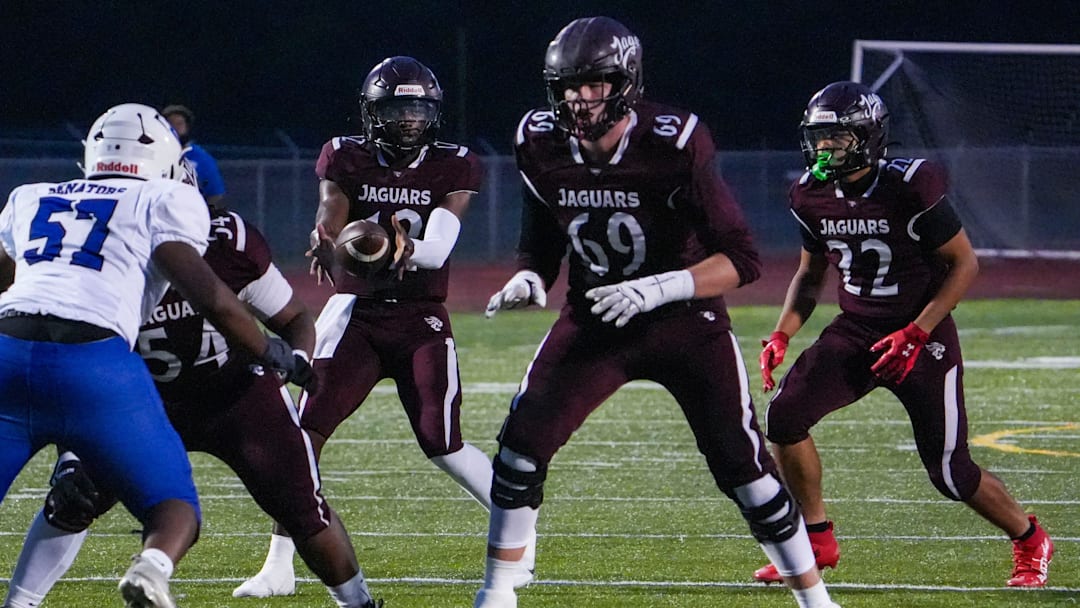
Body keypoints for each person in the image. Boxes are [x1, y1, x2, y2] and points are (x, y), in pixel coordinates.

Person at [477, 16, 841, 608]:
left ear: (625, 82)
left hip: (685, 324)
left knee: (743, 469)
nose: (579, 97)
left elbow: (743, 259)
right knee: (519, 448)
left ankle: (815, 599)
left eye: (594, 83)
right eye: (568, 85)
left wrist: (661, 288)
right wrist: (529, 276)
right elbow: (542, 238)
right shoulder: (537, 140)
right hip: (596, 316)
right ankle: (496, 593)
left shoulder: (673, 141)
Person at [234, 55, 525, 597]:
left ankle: (518, 533)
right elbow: (331, 210)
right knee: (302, 435)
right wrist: (328, 237)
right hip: (356, 314)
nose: (410, 118)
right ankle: (279, 565)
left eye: (418, 107)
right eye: (397, 106)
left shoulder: (453, 163)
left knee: (443, 442)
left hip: (420, 318)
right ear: (373, 111)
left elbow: (437, 250)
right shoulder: (344, 155)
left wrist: (395, 246)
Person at [0, 103, 308, 608]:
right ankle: (151, 568)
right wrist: (271, 349)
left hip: (7, 351)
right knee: (174, 509)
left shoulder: (30, 196)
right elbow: (210, 295)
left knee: (75, 494)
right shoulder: (164, 197)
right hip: (93, 360)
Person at [3, 199, 382, 608]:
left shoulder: (227, 243)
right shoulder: (88, 253)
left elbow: (292, 317)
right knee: (74, 496)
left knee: (304, 509)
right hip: (135, 400)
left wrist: (297, 361)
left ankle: (357, 602)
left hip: (234, 395)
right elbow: (69, 350)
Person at [753, 80, 1054, 587]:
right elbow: (810, 274)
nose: (824, 148)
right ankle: (817, 537)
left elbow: (964, 264)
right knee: (784, 417)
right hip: (856, 329)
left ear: (868, 137)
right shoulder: (809, 193)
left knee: (951, 475)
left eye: (838, 137)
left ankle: (1029, 538)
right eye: (819, 137)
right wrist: (782, 334)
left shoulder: (911, 185)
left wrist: (917, 331)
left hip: (922, 336)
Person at [162, 104, 226, 206]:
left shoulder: (201, 158)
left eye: (179, 124)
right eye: (170, 124)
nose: (175, 128)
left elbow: (215, 193)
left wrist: (203, 213)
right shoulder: (158, 153)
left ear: (187, 127)